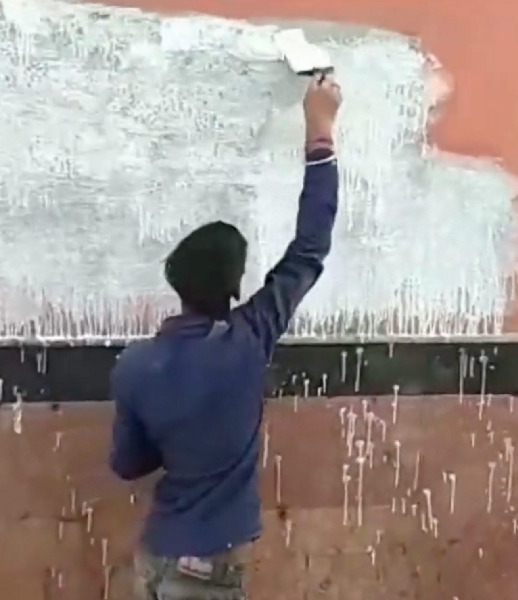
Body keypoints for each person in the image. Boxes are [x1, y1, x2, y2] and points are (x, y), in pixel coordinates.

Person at [108, 73, 343, 600]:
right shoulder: (247, 342)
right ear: (237, 285)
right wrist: (320, 132)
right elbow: (309, 249)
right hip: (209, 565)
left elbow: (126, 464)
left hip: (157, 554)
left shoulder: (136, 365)